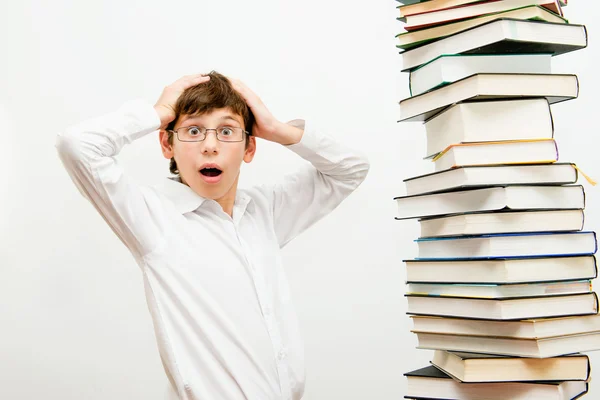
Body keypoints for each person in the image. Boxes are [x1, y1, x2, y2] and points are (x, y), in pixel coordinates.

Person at [55, 70, 370, 400]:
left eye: (226, 131)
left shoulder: (266, 211)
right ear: (167, 144)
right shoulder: (154, 219)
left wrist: (276, 130)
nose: (209, 146)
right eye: (193, 131)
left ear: (249, 147)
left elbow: (350, 169)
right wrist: (159, 112)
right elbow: (76, 145)